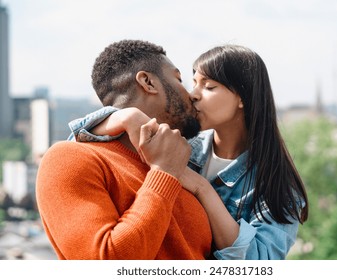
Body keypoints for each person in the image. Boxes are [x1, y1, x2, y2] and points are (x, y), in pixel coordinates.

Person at [68, 44, 309, 260]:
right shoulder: (181, 144)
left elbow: (258, 263)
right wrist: (125, 117)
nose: (193, 94)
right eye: (194, 83)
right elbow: (76, 143)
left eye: (209, 86)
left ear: (242, 98)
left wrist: (202, 188)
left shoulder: (278, 185)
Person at [35, 39, 213, 260]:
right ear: (148, 82)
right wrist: (164, 173)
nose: (191, 94)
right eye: (179, 79)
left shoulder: (188, 168)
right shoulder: (68, 159)